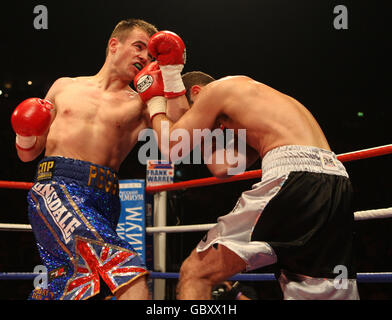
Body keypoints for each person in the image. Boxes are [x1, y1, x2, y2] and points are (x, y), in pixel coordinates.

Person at [134, 31, 360, 300]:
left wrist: (156, 102)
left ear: (196, 92)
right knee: (314, 291)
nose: (217, 129)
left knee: (195, 274)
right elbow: (222, 167)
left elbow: (172, 147)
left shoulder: (220, 89)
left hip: (295, 178)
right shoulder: (259, 107)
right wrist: (194, 118)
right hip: (335, 182)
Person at [10, 19, 169, 300]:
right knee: (127, 276)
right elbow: (28, 153)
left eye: (151, 55)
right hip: (57, 187)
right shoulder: (64, 87)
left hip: (106, 198)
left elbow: (173, 139)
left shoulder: (140, 103)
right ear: (114, 45)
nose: (145, 57)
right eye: (139, 47)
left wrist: (171, 74)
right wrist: (24, 131)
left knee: (79, 286)